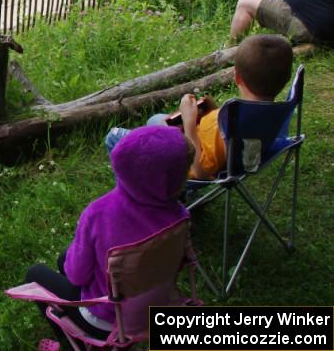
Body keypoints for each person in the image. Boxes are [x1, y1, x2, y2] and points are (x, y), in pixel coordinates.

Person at [24, 126, 192, 347]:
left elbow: (76, 277)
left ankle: (68, 343)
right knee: (64, 258)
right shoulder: (180, 215)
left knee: (35, 273)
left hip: (107, 321)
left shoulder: (98, 213)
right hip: (157, 303)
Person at [105, 35, 294, 180]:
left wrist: (188, 122)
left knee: (114, 136)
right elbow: (228, 138)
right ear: (286, 79)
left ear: (237, 77)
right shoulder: (267, 115)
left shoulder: (229, 119)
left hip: (187, 161)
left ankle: (149, 194)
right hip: (226, 157)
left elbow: (200, 169)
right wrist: (213, 112)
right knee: (156, 121)